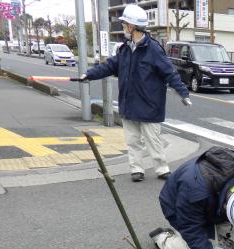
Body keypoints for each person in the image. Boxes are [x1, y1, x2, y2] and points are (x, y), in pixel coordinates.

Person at [81, 4, 191, 182]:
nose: (123, 28)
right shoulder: (124, 49)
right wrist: (89, 75)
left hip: (149, 104)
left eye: (124, 25)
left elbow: (170, 72)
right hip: (129, 102)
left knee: (153, 139)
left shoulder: (153, 49)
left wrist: (183, 93)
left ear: (132, 27)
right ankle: (136, 169)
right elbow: (110, 66)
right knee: (133, 141)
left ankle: (161, 168)